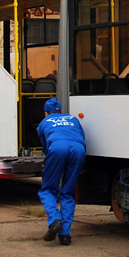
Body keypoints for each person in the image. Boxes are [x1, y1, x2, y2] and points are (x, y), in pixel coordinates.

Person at [37, 98, 86, 246]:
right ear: (62, 111)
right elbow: (82, 138)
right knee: (68, 192)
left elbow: (45, 147)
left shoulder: (43, 123)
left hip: (57, 148)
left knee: (48, 190)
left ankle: (55, 220)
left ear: (46, 113)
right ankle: (65, 235)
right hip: (78, 149)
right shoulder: (73, 119)